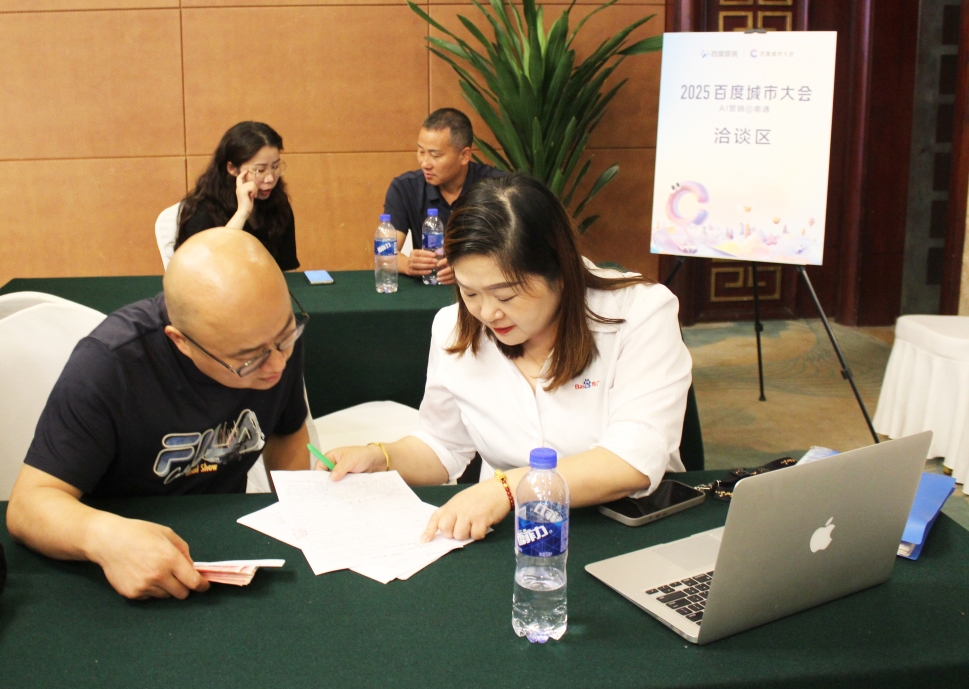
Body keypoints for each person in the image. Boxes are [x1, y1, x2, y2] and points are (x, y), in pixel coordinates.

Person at [327, 174, 692, 543]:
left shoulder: (639, 313)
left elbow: (634, 458)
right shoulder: (453, 329)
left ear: (561, 272)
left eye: (505, 296)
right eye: (470, 293)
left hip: (626, 527)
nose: (487, 313)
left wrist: (508, 489)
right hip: (512, 538)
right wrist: (382, 457)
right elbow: (443, 445)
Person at [6, 229, 312, 600]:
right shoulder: (108, 366)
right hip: (116, 557)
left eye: (285, 336)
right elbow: (27, 506)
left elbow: (286, 432)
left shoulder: (270, 336)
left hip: (228, 536)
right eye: (248, 360)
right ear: (180, 341)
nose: (277, 364)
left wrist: (300, 509)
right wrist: (103, 537)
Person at [383, 108, 504, 284]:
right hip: (429, 287)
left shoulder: (497, 188)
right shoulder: (404, 188)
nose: (425, 163)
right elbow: (384, 252)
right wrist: (407, 264)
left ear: (465, 156)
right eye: (421, 152)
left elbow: (518, 254)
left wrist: (468, 270)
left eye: (435, 155)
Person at [176, 121, 299, 271]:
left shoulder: (277, 202)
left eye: (275, 166)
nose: (270, 179)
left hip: (265, 284)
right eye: (260, 170)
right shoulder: (202, 211)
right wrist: (242, 213)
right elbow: (205, 268)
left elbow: (286, 268)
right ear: (232, 169)